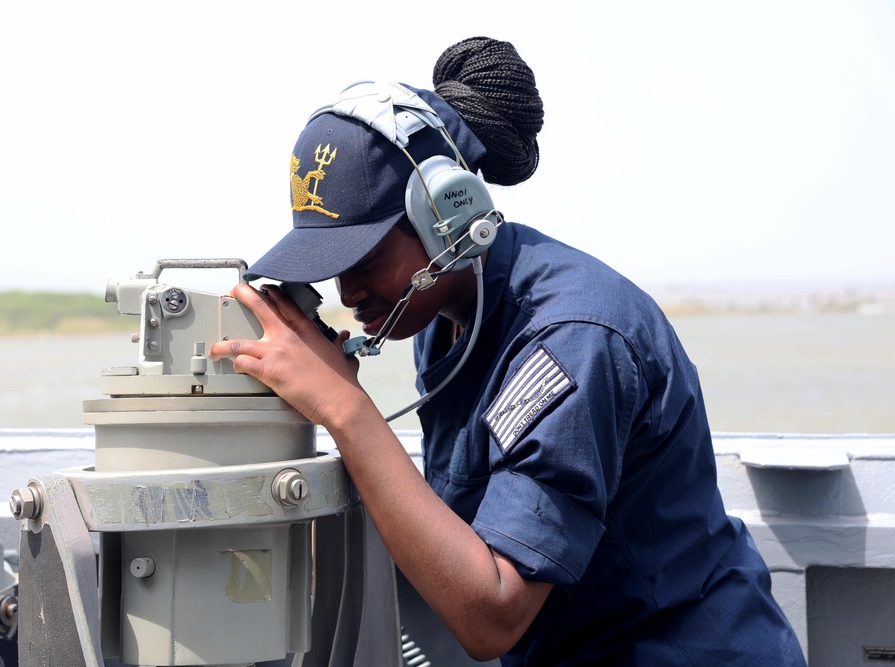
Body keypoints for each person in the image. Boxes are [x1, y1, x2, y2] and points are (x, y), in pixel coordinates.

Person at [210, 37, 805, 665]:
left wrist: (344, 408)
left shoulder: (571, 340)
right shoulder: (446, 320)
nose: (347, 291)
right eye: (333, 267)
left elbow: (492, 616)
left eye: (366, 258)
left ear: (444, 216)